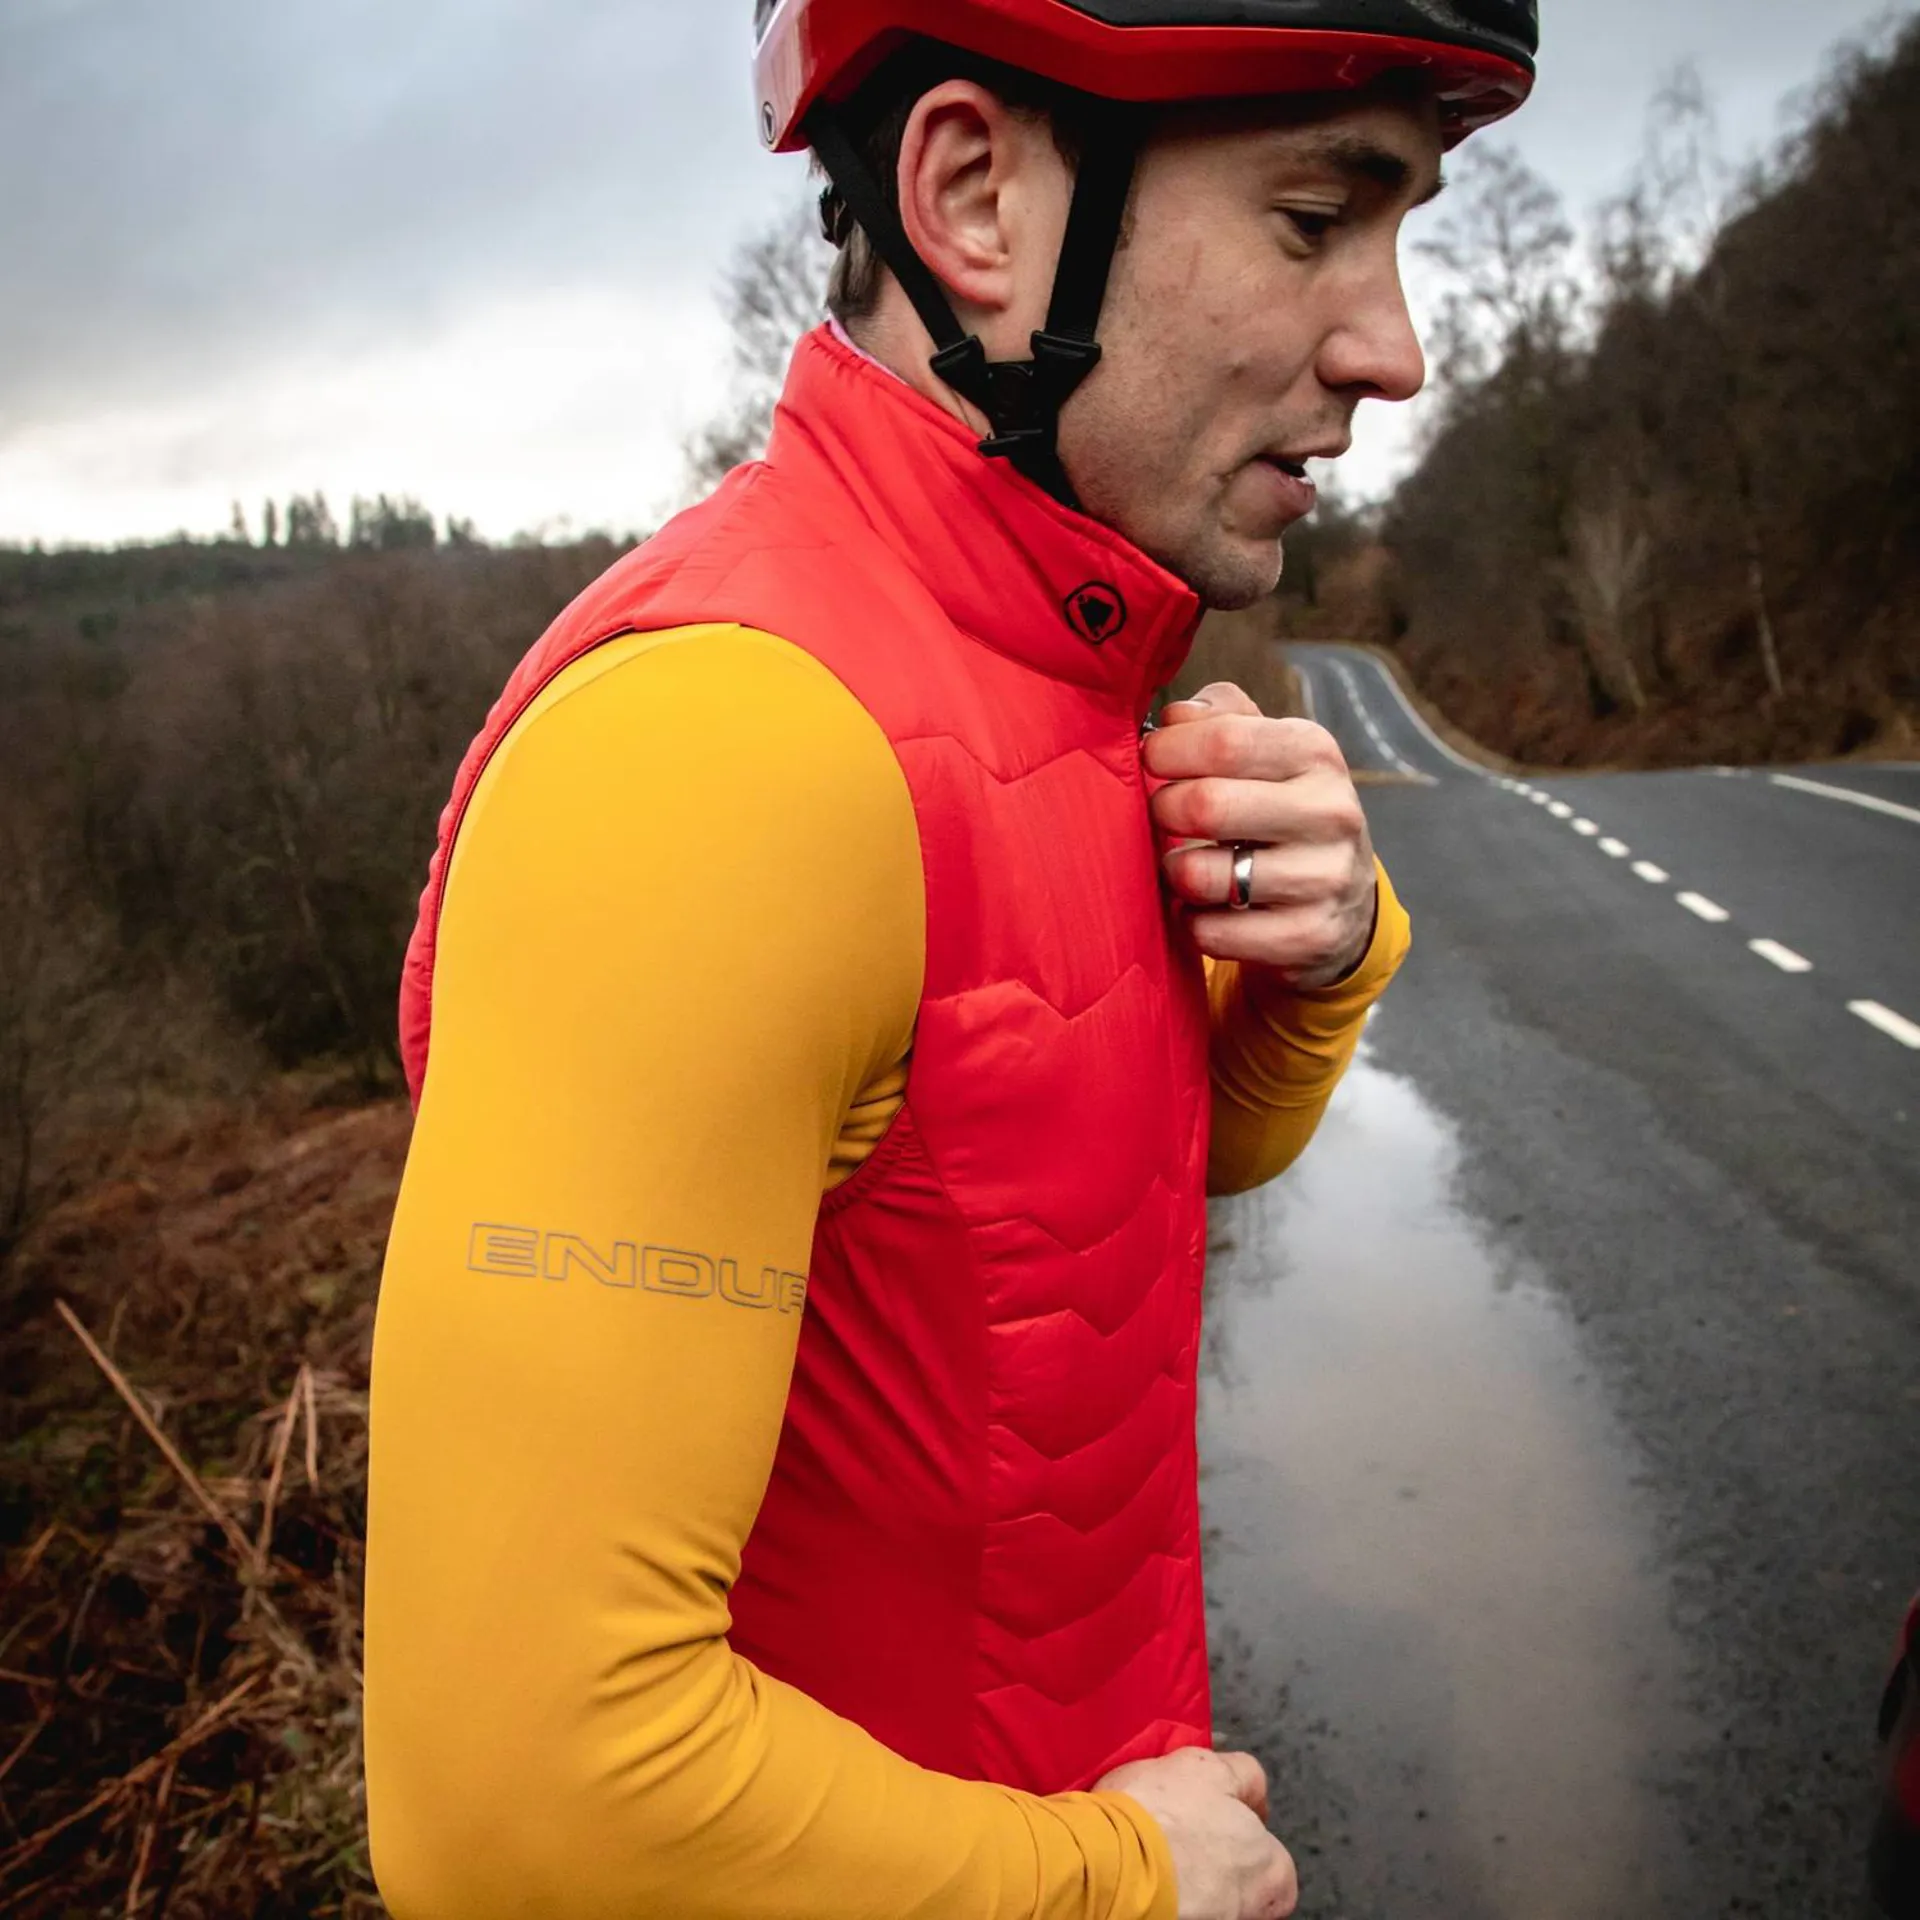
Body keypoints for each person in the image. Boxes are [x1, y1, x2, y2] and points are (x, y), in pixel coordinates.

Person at [362, 3, 1537, 1917]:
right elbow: (522, 1806)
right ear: (977, 200)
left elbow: (1075, 1207)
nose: (1392, 349)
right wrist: (1119, 1883)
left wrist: (1311, 966)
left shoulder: (1047, 669)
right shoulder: (726, 750)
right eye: (1319, 218)